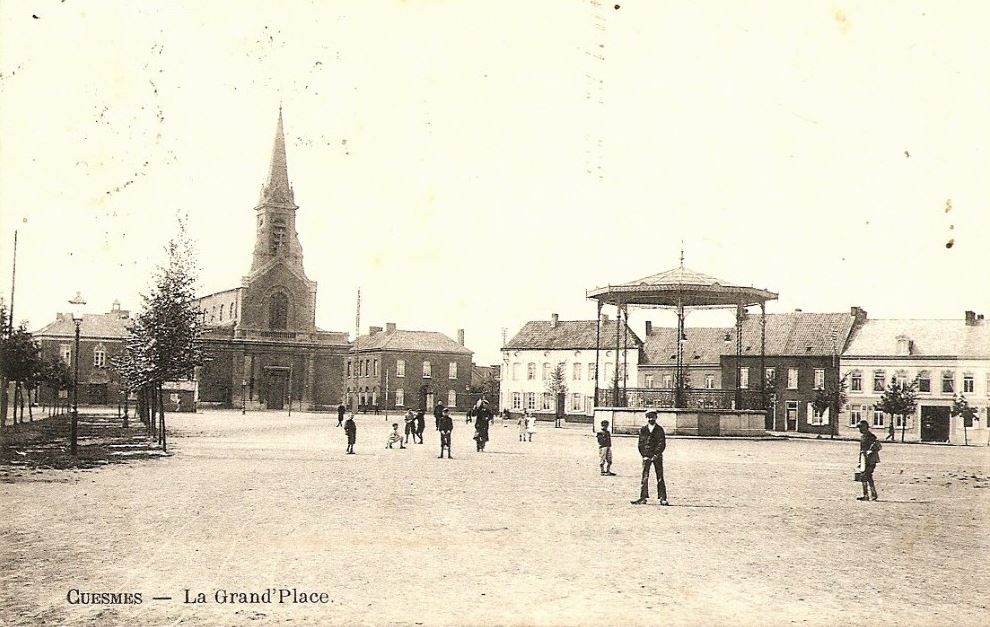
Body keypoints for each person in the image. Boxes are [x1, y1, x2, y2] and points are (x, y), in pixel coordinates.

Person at [631, 410, 668, 505]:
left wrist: (656, 454)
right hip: (646, 456)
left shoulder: (659, 429)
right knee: (644, 477)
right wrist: (645, 455)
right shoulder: (643, 429)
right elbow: (641, 444)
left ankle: (662, 498)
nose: (651, 419)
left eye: (653, 417)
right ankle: (643, 497)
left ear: (656, 418)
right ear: (646, 418)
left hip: (657, 456)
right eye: (649, 417)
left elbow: (662, 443)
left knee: (660, 477)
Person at [857, 420, 881, 501]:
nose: (859, 429)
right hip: (864, 458)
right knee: (867, 476)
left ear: (865, 427)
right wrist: (860, 461)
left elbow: (877, 446)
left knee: (865, 476)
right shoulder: (863, 436)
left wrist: (871, 451)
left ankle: (867, 495)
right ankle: (872, 494)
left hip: (871, 459)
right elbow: (861, 450)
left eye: (860, 427)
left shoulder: (871, 436)